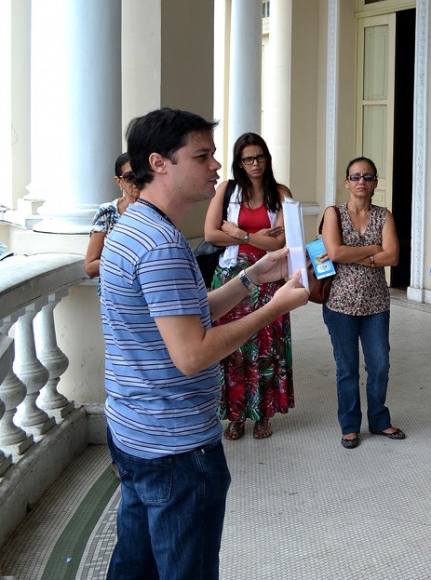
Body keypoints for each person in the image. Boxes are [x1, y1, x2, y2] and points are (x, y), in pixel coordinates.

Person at [100, 108, 308, 579]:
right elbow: (192, 354)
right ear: (159, 163)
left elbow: (181, 317)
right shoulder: (162, 246)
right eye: (203, 155)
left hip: (136, 430)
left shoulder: (134, 227)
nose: (217, 165)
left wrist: (255, 277)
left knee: (135, 566)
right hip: (175, 446)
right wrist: (275, 308)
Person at [204, 133, 293, 441]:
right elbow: (210, 234)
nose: (255, 164)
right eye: (248, 159)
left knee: (266, 348)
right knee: (232, 347)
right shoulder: (227, 191)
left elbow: (279, 242)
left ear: (267, 159)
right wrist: (257, 237)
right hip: (230, 277)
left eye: (260, 157)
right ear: (239, 163)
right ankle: (236, 415)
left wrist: (241, 234)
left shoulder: (280, 193)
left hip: (270, 277)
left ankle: (263, 414)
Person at [321, 156, 404, 449]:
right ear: (347, 182)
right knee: (347, 368)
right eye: (355, 177)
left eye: (367, 177)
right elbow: (334, 253)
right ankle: (350, 425)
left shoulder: (385, 215)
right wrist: (372, 250)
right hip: (340, 304)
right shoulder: (334, 213)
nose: (361, 182)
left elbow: (392, 257)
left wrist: (352, 252)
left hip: (376, 304)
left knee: (380, 365)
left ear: (375, 183)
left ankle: (379, 420)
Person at [84, 152, 139, 279]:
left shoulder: (158, 211)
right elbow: (90, 267)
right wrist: (130, 263)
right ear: (119, 181)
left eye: (141, 174)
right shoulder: (108, 212)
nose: (136, 181)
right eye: (130, 176)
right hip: (115, 290)